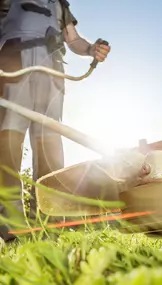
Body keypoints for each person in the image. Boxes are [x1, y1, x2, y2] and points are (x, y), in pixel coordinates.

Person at [0, 0, 111, 242]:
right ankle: (14, 233)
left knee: (49, 149)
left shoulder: (60, 4)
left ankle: (48, 228)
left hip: (51, 68)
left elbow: (73, 40)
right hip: (12, 63)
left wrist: (92, 49)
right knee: (8, 147)